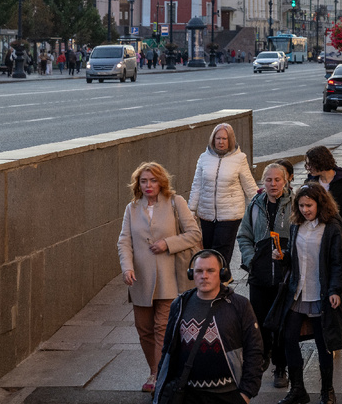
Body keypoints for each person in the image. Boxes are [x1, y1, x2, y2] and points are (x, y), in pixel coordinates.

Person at [117, 162, 201, 394]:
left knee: (161, 326)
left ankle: (157, 375)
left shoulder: (176, 202)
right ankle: (156, 369)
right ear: (138, 184)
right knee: (144, 328)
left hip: (169, 277)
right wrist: (127, 268)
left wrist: (168, 243)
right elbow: (124, 241)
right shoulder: (132, 208)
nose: (148, 185)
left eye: (153, 180)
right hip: (140, 279)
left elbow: (194, 234)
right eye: (144, 181)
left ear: (161, 182)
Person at [152, 248, 263, 404]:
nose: (204, 276)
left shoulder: (239, 305)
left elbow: (255, 350)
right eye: (199, 271)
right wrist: (160, 384)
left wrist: (246, 393)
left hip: (227, 394)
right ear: (191, 274)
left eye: (210, 271)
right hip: (187, 394)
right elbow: (168, 349)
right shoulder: (180, 304)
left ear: (222, 273)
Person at [271, 184, 342, 404]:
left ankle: (327, 391)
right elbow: (297, 257)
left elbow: (337, 262)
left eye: (309, 205)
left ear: (320, 204)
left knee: (324, 344)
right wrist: (283, 257)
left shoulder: (331, 227)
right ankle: (298, 389)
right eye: (301, 205)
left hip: (320, 293)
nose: (305, 209)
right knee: (288, 337)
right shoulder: (297, 225)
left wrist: (334, 291)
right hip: (298, 291)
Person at [236, 161, 294, 389]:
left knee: (282, 323)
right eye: (268, 180)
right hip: (259, 277)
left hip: (284, 275)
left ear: (285, 180)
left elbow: (300, 236)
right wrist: (252, 261)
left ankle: (281, 367)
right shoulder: (255, 205)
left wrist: (288, 257)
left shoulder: (295, 203)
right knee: (259, 321)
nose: (272, 184)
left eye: (277, 179)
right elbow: (244, 236)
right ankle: (263, 355)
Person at [188, 123, 258, 265]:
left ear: (230, 140)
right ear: (213, 139)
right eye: (218, 138)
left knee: (220, 250)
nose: (221, 142)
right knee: (208, 250)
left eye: (224, 139)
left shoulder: (239, 158)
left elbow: (249, 185)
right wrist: (190, 209)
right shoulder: (204, 158)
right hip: (206, 213)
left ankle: (220, 280)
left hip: (230, 214)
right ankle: (223, 277)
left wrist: (261, 204)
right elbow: (197, 185)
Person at [304, 145, 342, 259]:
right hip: (316, 237)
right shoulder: (310, 182)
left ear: (320, 162)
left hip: (341, 237)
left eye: (310, 164)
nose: (307, 168)